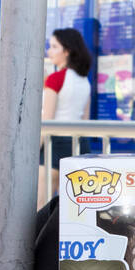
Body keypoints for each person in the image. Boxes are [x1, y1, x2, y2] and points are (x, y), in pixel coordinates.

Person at [38, 29, 93, 209]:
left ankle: (38, 239)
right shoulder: (85, 81)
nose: (49, 51)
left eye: (54, 47)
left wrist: (33, 151)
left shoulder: (55, 79)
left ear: (67, 51)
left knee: (41, 206)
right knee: (71, 209)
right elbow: (85, 119)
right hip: (80, 145)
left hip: (54, 146)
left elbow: (47, 121)